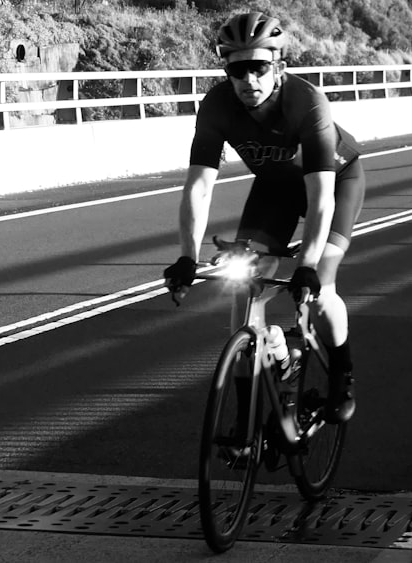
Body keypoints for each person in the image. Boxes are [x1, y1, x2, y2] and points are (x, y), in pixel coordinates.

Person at [163, 11, 364, 424]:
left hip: (335, 182)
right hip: (275, 188)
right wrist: (186, 256)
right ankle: (246, 413)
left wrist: (306, 265)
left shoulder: (307, 103)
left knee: (321, 285)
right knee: (244, 288)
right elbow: (199, 186)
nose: (249, 80)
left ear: (279, 67)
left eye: (259, 67)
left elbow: (320, 196)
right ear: (227, 71)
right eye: (238, 70)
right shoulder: (217, 105)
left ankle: (342, 374)